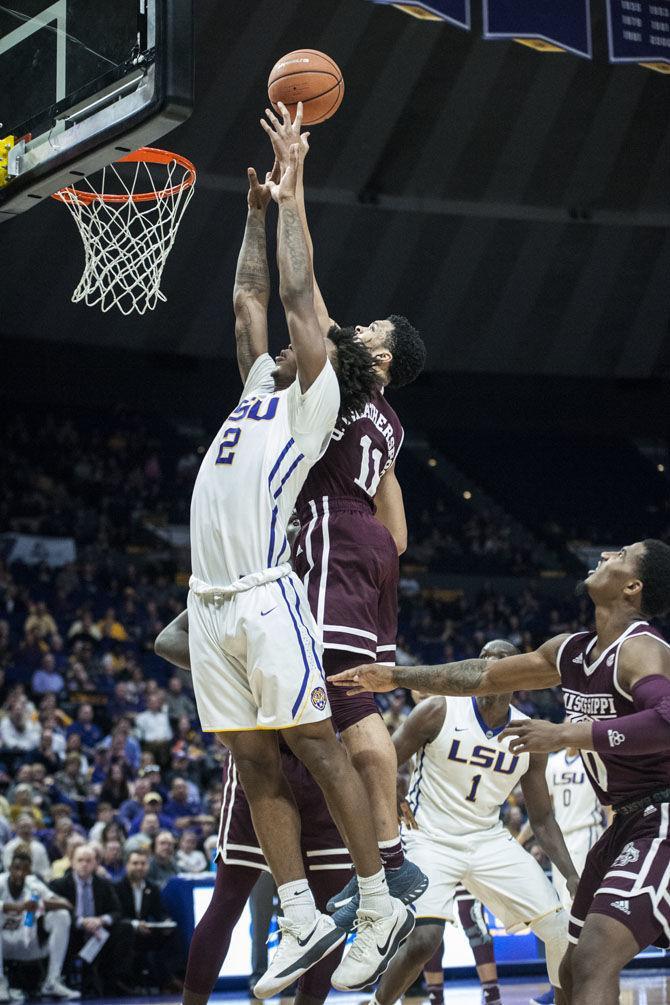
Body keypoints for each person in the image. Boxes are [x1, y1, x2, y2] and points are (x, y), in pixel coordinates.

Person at [186, 142, 412, 997]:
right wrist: (250, 214)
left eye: (304, 343)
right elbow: (250, 295)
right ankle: (303, 914)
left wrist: (294, 192)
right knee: (254, 764)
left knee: (315, 743)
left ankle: (377, 899)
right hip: (208, 601)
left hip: (262, 594)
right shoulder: (257, 384)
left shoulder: (314, 400)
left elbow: (291, 293)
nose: (285, 342)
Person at [331, 540, 670, 1005]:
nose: (606, 555)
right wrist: (396, 676)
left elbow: (666, 721)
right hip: (620, 825)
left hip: (660, 818)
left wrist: (568, 735)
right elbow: (480, 676)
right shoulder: (570, 652)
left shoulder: (642, 649)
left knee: (592, 958)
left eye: (622, 555)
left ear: (632, 587)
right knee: (572, 966)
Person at [253, 103, 428, 930]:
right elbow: (399, 536)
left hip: (328, 532)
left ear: (380, 357)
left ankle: (368, 865)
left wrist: (294, 188)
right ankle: (392, 849)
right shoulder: (393, 426)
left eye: (372, 330)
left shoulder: (350, 376)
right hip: (368, 555)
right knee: (363, 699)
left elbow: (300, 287)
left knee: (330, 708)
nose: (359, 327)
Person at [155, 612, 354, 1005]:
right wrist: (231, 665)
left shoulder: (329, 589)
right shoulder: (240, 586)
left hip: (324, 765)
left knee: (333, 912)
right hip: (261, 762)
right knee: (229, 899)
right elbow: (166, 640)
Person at [365, 641, 575, 1005]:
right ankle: (377, 1002)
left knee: (559, 928)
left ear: (519, 674)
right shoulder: (438, 710)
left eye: (502, 658)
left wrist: (572, 875)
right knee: (425, 939)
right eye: (484, 656)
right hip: (429, 836)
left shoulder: (528, 733)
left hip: (488, 839)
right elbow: (383, 763)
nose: (491, 663)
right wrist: (396, 799)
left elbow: (541, 817)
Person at [520, 736, 607, 1005]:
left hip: (587, 836)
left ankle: (587, 984)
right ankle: (561, 984)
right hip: (561, 843)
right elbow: (544, 811)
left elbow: (610, 807)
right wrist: (522, 840)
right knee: (562, 919)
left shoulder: (596, 760)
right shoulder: (554, 762)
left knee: (582, 917)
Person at [49, 844, 133, 997]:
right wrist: (82, 922)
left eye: (89, 860)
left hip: (98, 933)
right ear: (72, 863)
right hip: (73, 933)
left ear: (95, 863)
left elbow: (117, 911)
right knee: (61, 924)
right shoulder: (59, 884)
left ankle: (114, 981)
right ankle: (60, 981)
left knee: (125, 928)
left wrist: (100, 920)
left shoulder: (104, 884)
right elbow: (55, 910)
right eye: (80, 860)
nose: (84, 864)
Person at [0, 848, 78, 1001]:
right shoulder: (0, 882)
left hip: (28, 941)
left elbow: (66, 904)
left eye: (25, 869)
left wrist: (39, 903)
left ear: (30, 871)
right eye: (16, 869)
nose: (20, 873)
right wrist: (20, 906)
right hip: (4, 945)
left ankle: (52, 981)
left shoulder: (33, 884)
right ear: (9, 869)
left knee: (61, 916)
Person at [115, 849, 182, 992]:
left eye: (143, 863)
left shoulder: (152, 888)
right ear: (127, 865)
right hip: (124, 932)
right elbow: (116, 915)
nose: (139, 867)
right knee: (125, 932)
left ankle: (170, 977)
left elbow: (160, 912)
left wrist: (166, 921)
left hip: (146, 931)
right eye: (135, 863)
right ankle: (126, 981)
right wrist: (135, 924)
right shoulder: (116, 887)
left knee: (172, 934)